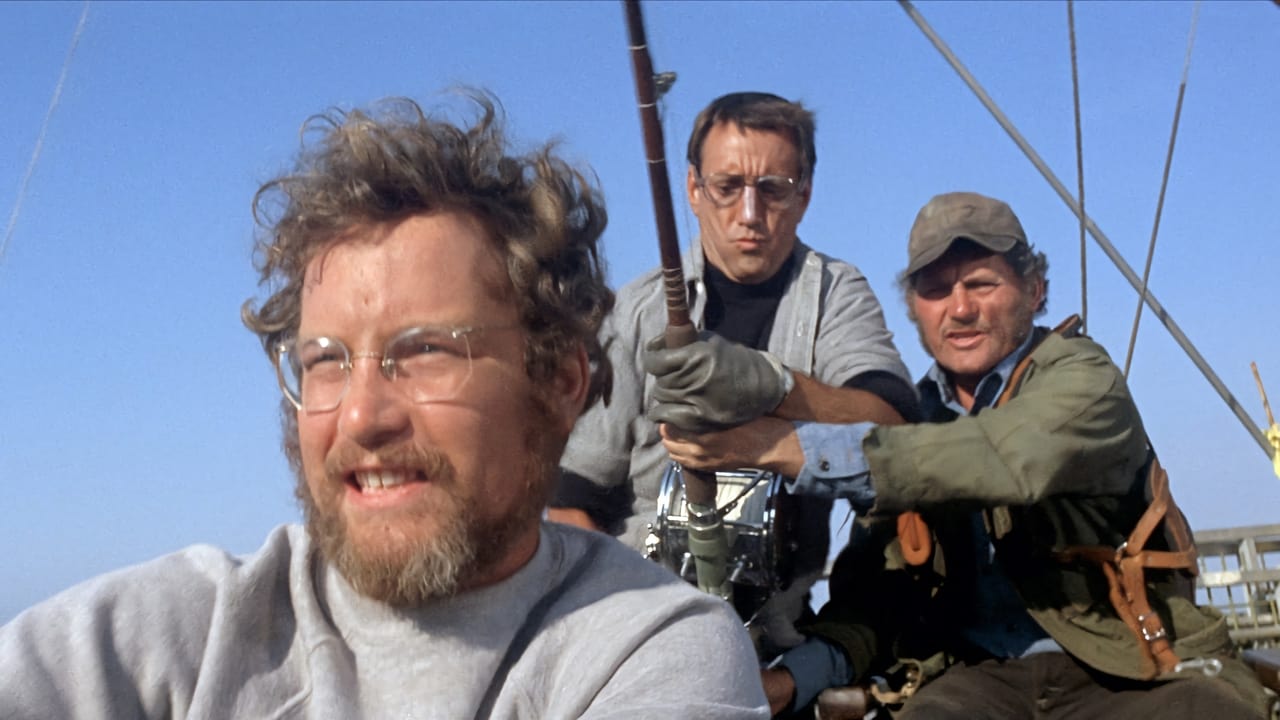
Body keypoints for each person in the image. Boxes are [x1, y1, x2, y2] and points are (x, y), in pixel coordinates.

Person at [0, 93, 770, 719]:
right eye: (324, 361)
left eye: (426, 350)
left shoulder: (652, 648)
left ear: (561, 381)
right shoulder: (171, 634)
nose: (362, 417)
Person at [653, 191, 1272, 718]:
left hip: (1130, 667)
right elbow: (873, 601)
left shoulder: (1083, 379)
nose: (960, 308)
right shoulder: (910, 423)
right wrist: (790, 681)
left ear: (1035, 290)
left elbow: (1007, 456)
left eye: (982, 283)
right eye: (935, 290)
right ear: (915, 311)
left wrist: (781, 445)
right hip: (976, 680)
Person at [549, 92, 917, 647]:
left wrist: (775, 387)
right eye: (727, 187)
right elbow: (569, 500)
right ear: (693, 190)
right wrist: (614, 624)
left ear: (805, 195)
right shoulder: (634, 311)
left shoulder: (838, 293)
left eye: (773, 189)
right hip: (636, 622)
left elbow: (894, 430)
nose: (749, 214)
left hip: (775, 634)